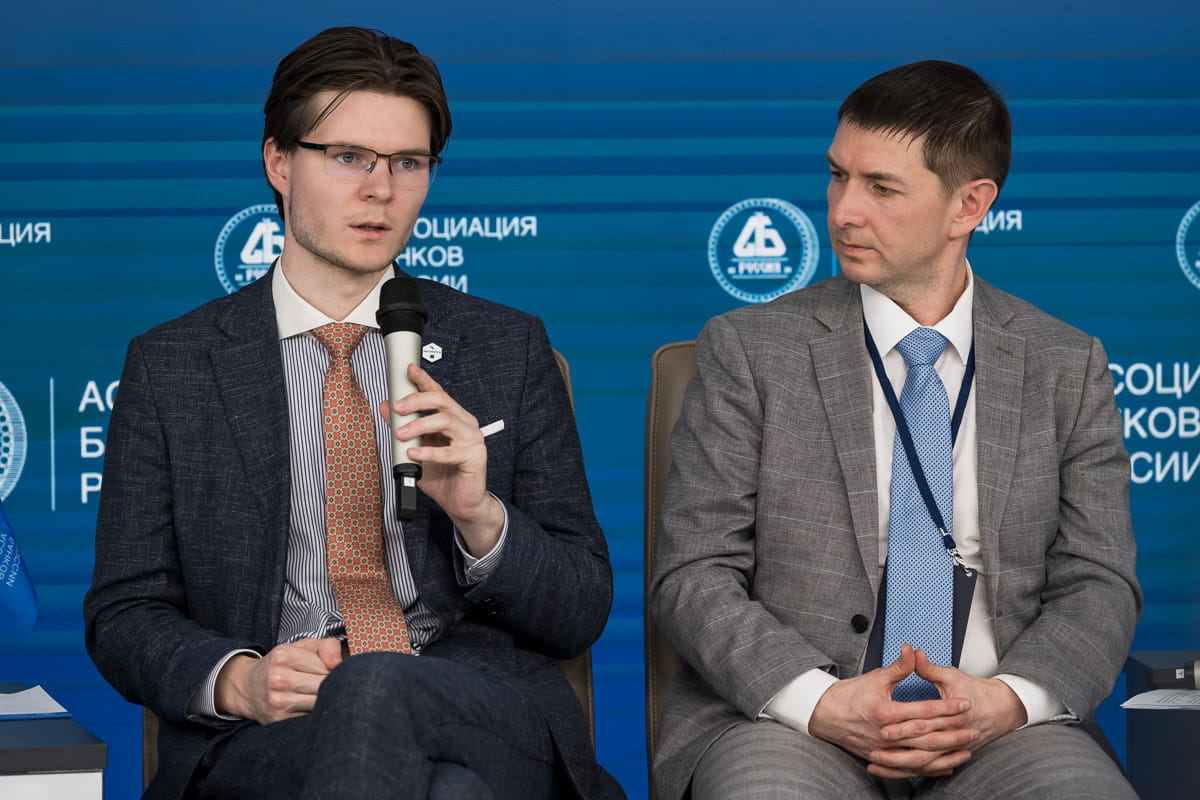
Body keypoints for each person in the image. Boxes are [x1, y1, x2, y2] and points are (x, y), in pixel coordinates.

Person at [84, 26, 623, 800]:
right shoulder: (173, 366)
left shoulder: (506, 349)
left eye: (408, 163)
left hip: (480, 708)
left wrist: (479, 517)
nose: (381, 190)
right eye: (348, 158)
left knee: (376, 686)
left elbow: (580, 610)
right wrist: (241, 680)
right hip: (273, 735)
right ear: (278, 161)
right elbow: (125, 611)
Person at [650, 60, 1141, 799]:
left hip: (1003, 730)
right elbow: (694, 572)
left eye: (881, 188)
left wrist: (1009, 702)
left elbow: (1099, 582)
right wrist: (820, 701)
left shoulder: (1065, 366)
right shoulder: (750, 351)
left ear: (969, 205)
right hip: (793, 725)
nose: (844, 211)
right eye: (837, 176)